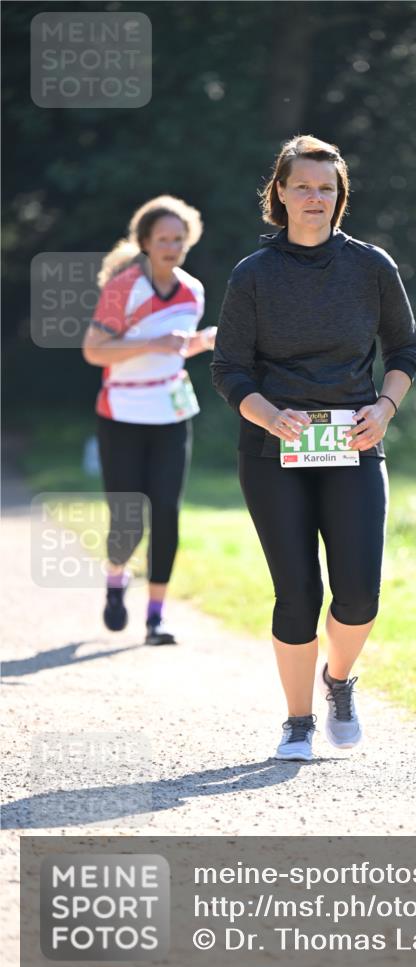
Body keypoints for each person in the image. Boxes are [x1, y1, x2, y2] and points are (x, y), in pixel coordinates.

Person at [211, 135, 416, 760]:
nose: (314, 197)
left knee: (358, 594)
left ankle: (339, 681)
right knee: (297, 592)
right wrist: (269, 415)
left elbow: (404, 350)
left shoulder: (371, 266)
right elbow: (228, 369)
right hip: (273, 450)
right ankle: (298, 722)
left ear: (340, 196)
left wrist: (384, 409)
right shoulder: (253, 275)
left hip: (354, 444)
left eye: (326, 187)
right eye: (302, 185)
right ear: (279, 192)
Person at [82, 195, 216, 645]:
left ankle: (156, 618)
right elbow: (94, 350)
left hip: (171, 413)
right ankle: (116, 578)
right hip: (121, 413)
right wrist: (152, 343)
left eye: (179, 239)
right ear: (144, 242)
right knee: (128, 521)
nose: (171, 247)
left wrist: (203, 341)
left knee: (167, 513)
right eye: (163, 239)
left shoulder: (193, 291)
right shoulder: (124, 288)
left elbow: (177, 347)